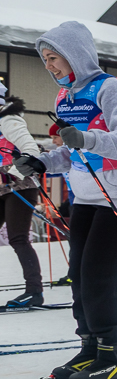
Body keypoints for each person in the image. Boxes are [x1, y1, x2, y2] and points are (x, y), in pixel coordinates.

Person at [15, 21, 117, 379]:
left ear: (75, 54)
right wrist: (42, 161)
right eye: (45, 60)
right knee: (79, 277)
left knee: (99, 276)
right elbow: (71, 153)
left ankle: (112, 356)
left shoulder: (110, 88)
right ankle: (90, 348)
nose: (50, 66)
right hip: (87, 194)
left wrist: (86, 138)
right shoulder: (63, 97)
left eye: (54, 57)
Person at [0, 82, 45, 307]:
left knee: (18, 237)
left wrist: (11, 174)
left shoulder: (8, 119)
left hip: (20, 185)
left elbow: (31, 149)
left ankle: (34, 292)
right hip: (2, 187)